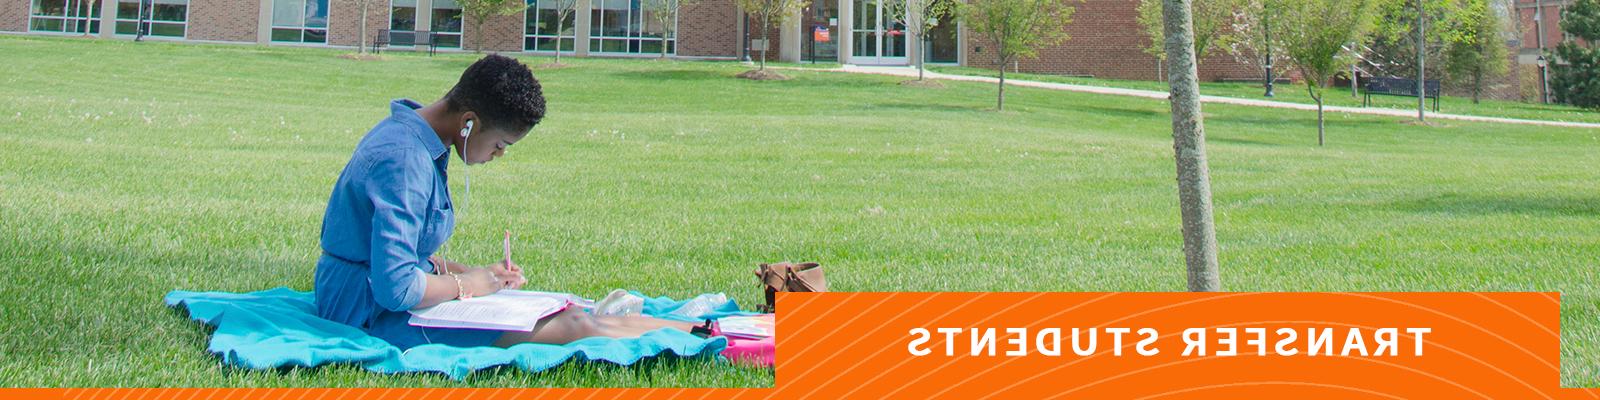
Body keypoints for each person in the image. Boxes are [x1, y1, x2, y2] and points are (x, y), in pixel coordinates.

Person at [313, 54, 699, 350]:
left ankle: (705, 330)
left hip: (375, 291)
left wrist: (481, 275)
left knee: (570, 315)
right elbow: (394, 288)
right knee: (574, 328)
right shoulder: (405, 160)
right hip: (365, 310)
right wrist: (468, 284)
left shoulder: (418, 139)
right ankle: (716, 338)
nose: (498, 155)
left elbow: (392, 248)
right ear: (469, 123)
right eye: (500, 144)